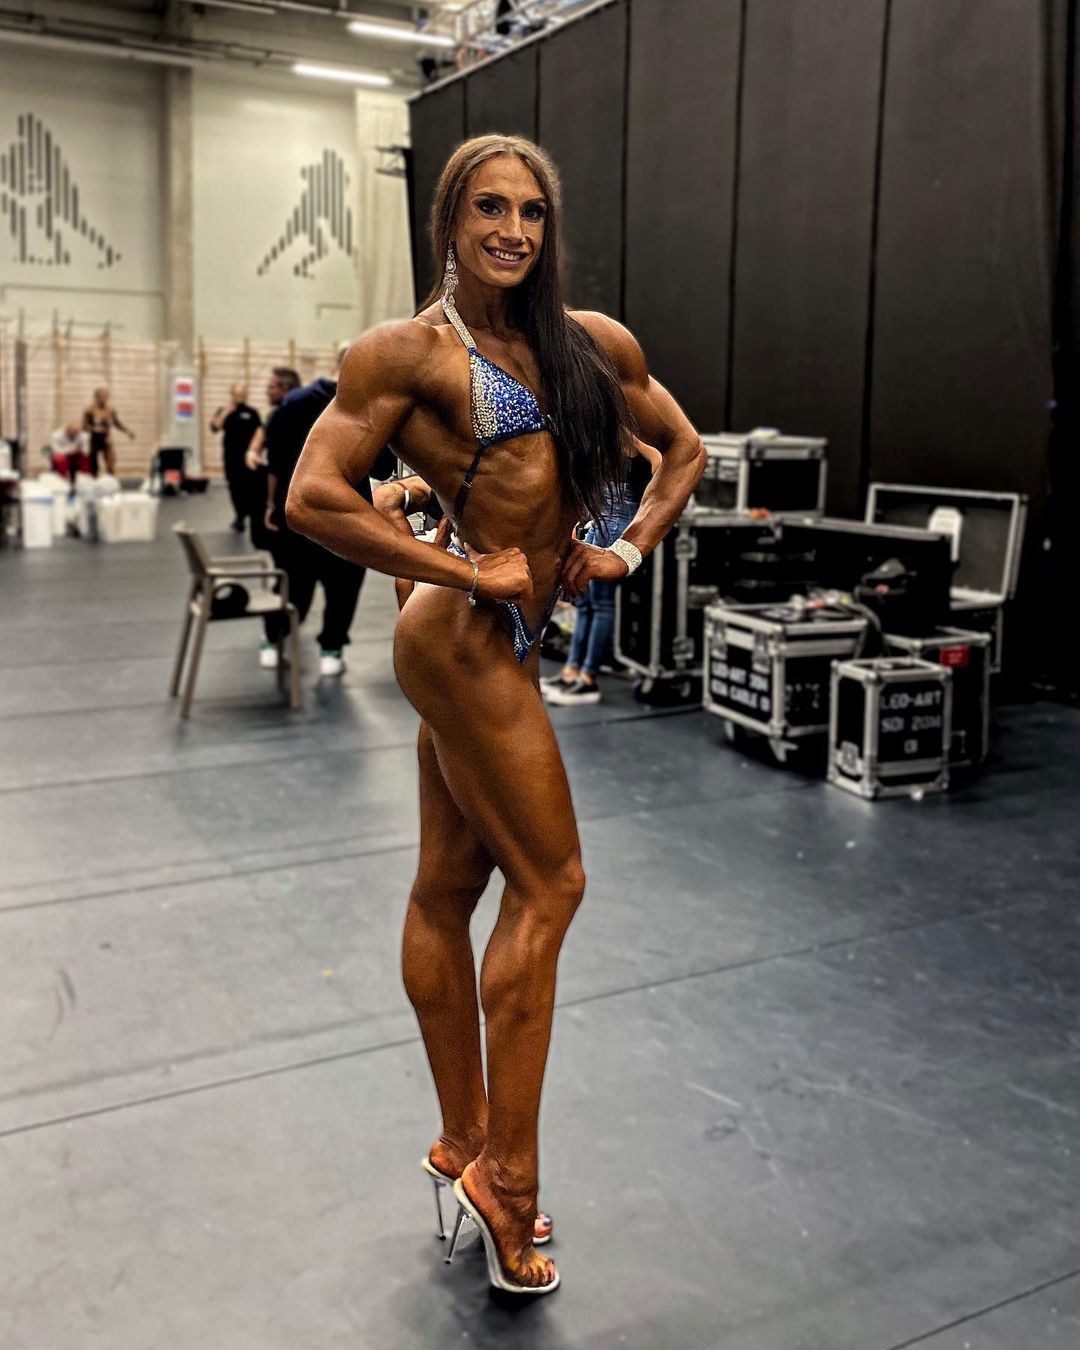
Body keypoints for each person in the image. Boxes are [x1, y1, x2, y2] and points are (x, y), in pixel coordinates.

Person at [287, 135, 705, 1294]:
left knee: (447, 888)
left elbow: (683, 451)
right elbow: (312, 496)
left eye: (530, 211)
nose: (512, 230)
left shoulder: (590, 345)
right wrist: (468, 570)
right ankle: (508, 1184)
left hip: (506, 634)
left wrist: (623, 549)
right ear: (450, 222)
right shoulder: (406, 354)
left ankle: (463, 1141)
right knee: (553, 884)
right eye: (489, 208)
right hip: (461, 638)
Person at [261, 348, 366, 677]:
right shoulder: (364, 408)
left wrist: (270, 505)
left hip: (297, 510)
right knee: (343, 585)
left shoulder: (294, 402)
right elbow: (380, 466)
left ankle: (273, 641)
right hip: (347, 516)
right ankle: (331, 651)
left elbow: (274, 462)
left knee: (293, 582)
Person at [543, 445, 659, 705]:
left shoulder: (631, 433)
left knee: (601, 603)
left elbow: (660, 463)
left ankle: (587, 678)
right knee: (584, 601)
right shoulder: (608, 436)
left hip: (619, 517)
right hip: (603, 516)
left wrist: (653, 513)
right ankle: (573, 671)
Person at [244, 367, 299, 549]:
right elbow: (262, 431)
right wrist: (253, 451)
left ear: (285, 388)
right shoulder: (275, 414)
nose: (268, 391)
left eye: (271, 387)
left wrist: (270, 504)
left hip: (289, 493)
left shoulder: (289, 415)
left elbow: (276, 465)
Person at [209, 383, 261, 531]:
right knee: (234, 486)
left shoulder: (252, 412)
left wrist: (255, 451)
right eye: (237, 394)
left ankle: (252, 515)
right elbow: (214, 427)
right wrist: (226, 412)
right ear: (232, 394)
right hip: (231, 457)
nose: (240, 397)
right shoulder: (224, 411)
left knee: (249, 487)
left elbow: (259, 431)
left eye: (242, 394)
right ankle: (240, 516)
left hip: (247, 457)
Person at [82, 387, 133, 477]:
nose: (103, 399)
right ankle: (94, 478)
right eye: (101, 397)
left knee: (111, 460)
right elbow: (85, 426)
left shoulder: (111, 410)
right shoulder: (89, 410)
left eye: (105, 397)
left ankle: (111, 477)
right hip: (95, 438)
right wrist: (95, 428)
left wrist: (127, 431)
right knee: (93, 461)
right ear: (96, 397)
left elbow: (117, 423)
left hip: (106, 437)